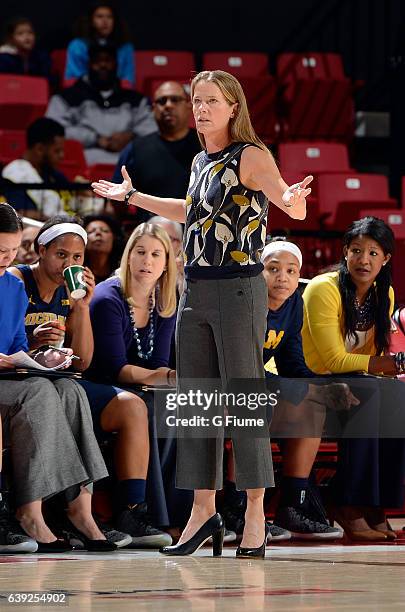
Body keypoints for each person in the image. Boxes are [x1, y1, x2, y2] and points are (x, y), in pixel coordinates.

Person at [92, 69, 313, 559]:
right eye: (197, 100)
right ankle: (202, 513)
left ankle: (255, 511)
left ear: (234, 107)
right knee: (198, 405)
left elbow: (287, 203)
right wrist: (130, 197)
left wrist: (293, 200)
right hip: (196, 290)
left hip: (238, 291)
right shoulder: (199, 161)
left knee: (243, 403)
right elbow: (191, 211)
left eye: (212, 100)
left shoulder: (251, 156)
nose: (201, 108)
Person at [9, 215, 172, 548]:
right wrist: (33, 342)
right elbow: (11, 344)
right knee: (58, 393)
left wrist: (81, 308)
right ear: (41, 250)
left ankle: (122, 509)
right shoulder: (17, 280)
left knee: (124, 403)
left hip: (59, 380)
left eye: (77, 257)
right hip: (21, 380)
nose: (69, 263)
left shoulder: (73, 293)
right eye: (61, 255)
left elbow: (82, 362)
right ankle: (49, 510)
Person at [0, 202, 116, 552]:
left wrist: (40, 354)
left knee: (70, 389)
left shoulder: (11, 288)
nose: (5, 258)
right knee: (40, 391)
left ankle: (80, 509)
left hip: (10, 376)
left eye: (8, 251)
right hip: (12, 382)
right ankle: (30, 511)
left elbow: (19, 344)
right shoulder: (23, 280)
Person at [301, 216, 405, 541]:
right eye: (357, 250)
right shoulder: (324, 289)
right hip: (311, 381)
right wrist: (380, 365)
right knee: (371, 390)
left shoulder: (381, 295)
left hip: (357, 381)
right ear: (345, 252)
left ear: (386, 259)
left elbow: (371, 361)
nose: (364, 260)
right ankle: (347, 503)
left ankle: (377, 505)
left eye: (374, 253)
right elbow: (332, 359)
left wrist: (382, 368)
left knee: (396, 396)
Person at [87, 223, 191, 533]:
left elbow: (157, 361)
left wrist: (168, 379)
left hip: (140, 384)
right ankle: (149, 515)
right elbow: (116, 367)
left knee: (181, 405)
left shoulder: (166, 300)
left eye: (156, 254)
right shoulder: (108, 298)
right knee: (154, 408)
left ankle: (182, 517)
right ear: (128, 256)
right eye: (141, 252)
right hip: (102, 385)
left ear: (167, 262)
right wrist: (170, 376)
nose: (147, 261)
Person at [47, 44, 156, 166]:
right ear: (88, 64)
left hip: (129, 163)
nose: (103, 65)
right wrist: (95, 139)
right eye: (97, 61)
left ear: (116, 65)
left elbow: (153, 128)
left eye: (108, 61)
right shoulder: (66, 98)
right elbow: (52, 131)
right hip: (86, 163)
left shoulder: (135, 99)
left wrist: (130, 137)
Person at [112, 81, 200, 226]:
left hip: (197, 234)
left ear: (189, 106)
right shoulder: (136, 148)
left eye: (175, 100)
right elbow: (117, 199)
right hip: (150, 235)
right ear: (153, 109)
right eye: (161, 101)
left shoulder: (207, 146)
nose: (168, 105)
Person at [1, 118, 71, 219]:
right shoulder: (15, 174)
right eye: (57, 151)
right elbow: (22, 214)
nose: (62, 156)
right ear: (39, 149)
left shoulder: (55, 175)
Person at [65, 1, 135, 86]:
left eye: (109, 17)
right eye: (99, 16)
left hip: (117, 94)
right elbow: (73, 79)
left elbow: (128, 80)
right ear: (91, 21)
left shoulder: (125, 47)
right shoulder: (77, 46)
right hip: (84, 94)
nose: (105, 21)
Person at [0, 16, 52, 82]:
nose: (27, 37)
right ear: (11, 38)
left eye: (30, 32)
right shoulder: (4, 59)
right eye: (20, 34)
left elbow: (46, 81)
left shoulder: (42, 57)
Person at [83, 213, 125, 283]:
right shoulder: (77, 272)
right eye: (91, 231)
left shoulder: (122, 272)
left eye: (105, 231)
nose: (98, 233)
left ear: (114, 238)